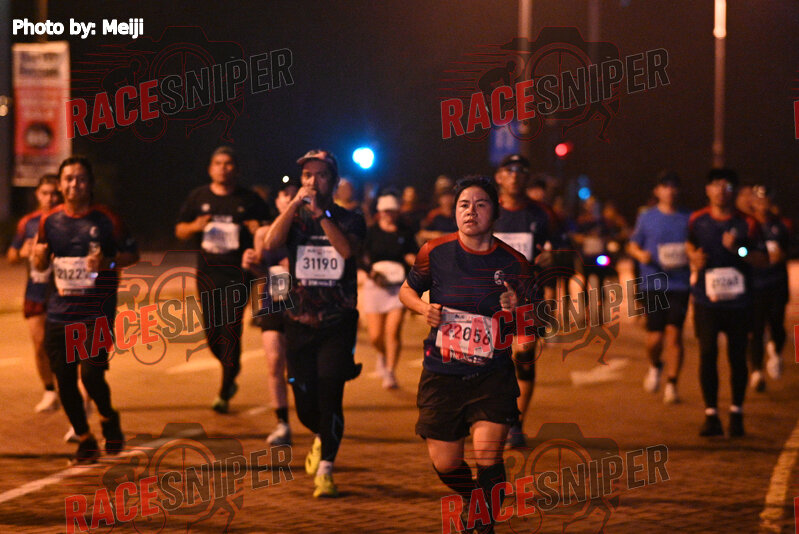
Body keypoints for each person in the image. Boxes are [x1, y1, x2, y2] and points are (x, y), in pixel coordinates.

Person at [400, 176, 532, 533]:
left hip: (492, 374)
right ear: (455, 211)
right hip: (442, 372)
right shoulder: (434, 251)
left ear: (496, 212)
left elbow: (530, 320)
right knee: (445, 463)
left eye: (481, 204)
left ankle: (483, 523)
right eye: (464, 204)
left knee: (489, 456)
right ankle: (474, 499)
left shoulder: (515, 262)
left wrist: (517, 311)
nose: (471, 211)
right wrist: (423, 308)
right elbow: (407, 291)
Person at [263, 149, 365, 498]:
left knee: (331, 395)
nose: (312, 181)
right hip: (299, 320)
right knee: (306, 405)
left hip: (338, 321)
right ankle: (321, 436)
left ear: (333, 181)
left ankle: (326, 470)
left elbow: (346, 252)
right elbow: (270, 244)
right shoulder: (294, 218)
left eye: (320, 175)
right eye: (307, 175)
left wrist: (322, 216)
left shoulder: (351, 218)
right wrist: (294, 205)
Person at [32, 156, 139, 463]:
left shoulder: (106, 220)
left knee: (91, 374)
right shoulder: (50, 221)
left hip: (96, 311)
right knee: (65, 380)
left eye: (80, 179)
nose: (74, 184)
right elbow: (41, 261)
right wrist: (39, 257)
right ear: (60, 183)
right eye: (68, 179)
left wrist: (109, 263)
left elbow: (132, 254)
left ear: (90, 184)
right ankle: (85, 439)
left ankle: (108, 418)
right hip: (60, 312)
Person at [175, 146, 269, 413]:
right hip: (208, 274)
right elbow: (180, 230)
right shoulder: (199, 197)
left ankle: (225, 388)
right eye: (218, 163)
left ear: (236, 169)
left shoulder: (249, 199)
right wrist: (195, 226)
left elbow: (271, 229)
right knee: (212, 333)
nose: (223, 168)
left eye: (228, 163)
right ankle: (232, 367)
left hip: (239, 275)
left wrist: (259, 228)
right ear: (210, 168)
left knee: (230, 329)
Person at [686, 168, 767, 437]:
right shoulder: (697, 220)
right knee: (707, 353)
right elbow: (689, 245)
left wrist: (738, 249)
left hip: (739, 303)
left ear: (733, 191)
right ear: (707, 190)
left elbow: (762, 259)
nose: (721, 190)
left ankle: (736, 413)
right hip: (706, 300)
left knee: (737, 356)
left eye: (726, 185)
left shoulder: (748, 223)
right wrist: (693, 257)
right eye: (715, 185)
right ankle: (711, 415)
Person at [493, 154, 556, 448]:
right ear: (499, 177)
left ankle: (516, 423)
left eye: (521, 170)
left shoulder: (541, 214)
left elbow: (559, 249)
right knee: (492, 362)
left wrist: (552, 258)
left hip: (530, 296)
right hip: (491, 297)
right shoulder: (487, 210)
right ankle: (489, 419)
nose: (515, 175)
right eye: (509, 170)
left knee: (525, 355)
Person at [242, 180, 298, 445]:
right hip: (273, 302)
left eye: (293, 195)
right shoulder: (264, 233)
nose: (288, 198)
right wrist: (251, 264)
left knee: (300, 367)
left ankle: (316, 420)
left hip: (304, 307)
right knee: (275, 361)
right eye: (284, 194)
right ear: (276, 201)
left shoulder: (309, 232)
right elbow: (261, 272)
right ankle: (282, 423)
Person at [628, 171, 691, 403]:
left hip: (680, 284)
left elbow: (696, 245)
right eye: (665, 186)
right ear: (657, 190)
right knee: (655, 338)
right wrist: (640, 255)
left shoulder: (688, 217)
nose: (670, 190)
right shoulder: (647, 217)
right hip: (654, 282)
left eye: (674, 186)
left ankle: (672, 384)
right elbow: (632, 245)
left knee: (675, 336)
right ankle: (655, 365)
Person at [7, 174, 62, 412]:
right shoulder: (28, 223)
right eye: (45, 193)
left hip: (62, 293)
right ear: (37, 194)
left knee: (66, 347)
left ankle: (74, 389)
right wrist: (21, 253)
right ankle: (50, 391)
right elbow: (11, 254)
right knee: (39, 346)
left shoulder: (67, 220)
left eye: (55, 193)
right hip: (35, 292)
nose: (50, 198)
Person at [360, 193, 417, 389]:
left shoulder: (405, 233)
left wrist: (413, 260)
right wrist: (370, 272)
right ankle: (382, 355)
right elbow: (359, 256)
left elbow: (413, 255)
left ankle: (390, 371)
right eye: (385, 211)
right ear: (380, 212)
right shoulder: (372, 232)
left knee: (393, 332)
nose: (389, 215)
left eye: (392, 211)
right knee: (375, 336)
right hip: (375, 286)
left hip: (398, 288)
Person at [747, 185, 791, 390]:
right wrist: (747, 254)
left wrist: (784, 254)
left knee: (777, 324)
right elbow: (738, 248)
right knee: (755, 329)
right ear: (753, 202)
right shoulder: (747, 225)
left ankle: (775, 351)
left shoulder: (783, 225)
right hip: (754, 285)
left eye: (766, 200)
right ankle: (756, 371)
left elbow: (793, 246)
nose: (762, 205)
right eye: (759, 200)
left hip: (777, 283)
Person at [417, 177, 457, 245]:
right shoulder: (434, 214)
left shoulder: (458, 213)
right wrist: (439, 235)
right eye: (444, 196)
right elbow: (422, 233)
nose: (447, 199)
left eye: (449, 195)